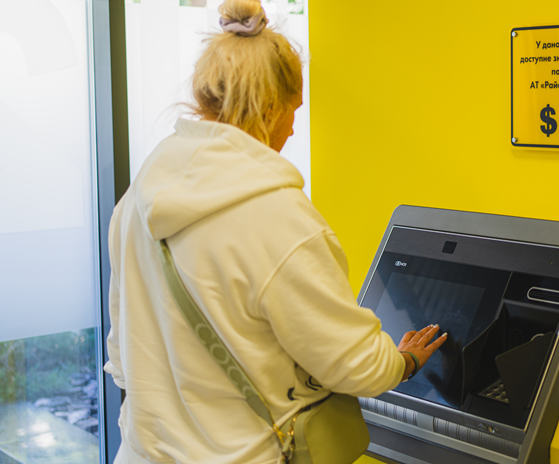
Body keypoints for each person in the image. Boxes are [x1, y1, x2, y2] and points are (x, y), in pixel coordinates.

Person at [103, 1, 446, 462]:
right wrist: (403, 361)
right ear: (268, 108)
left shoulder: (137, 199)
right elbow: (358, 366)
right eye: (293, 110)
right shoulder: (278, 218)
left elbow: (123, 356)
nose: (292, 129)